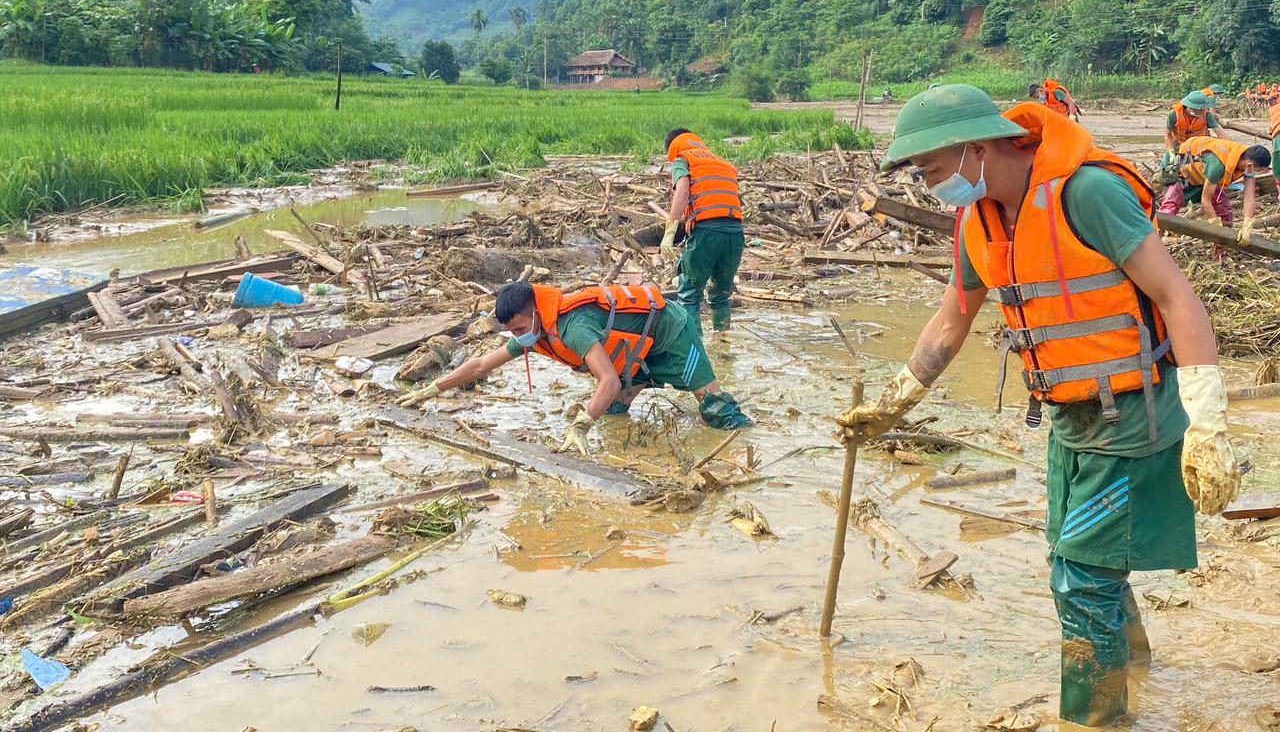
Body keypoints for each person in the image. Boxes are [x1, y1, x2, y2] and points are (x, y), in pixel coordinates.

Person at [835, 84, 1243, 727]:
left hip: (1135, 413)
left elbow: (1176, 296)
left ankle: (1096, 720)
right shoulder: (980, 221)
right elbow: (950, 324)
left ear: (975, 147)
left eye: (933, 170)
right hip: (1068, 416)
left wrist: (1209, 419)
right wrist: (893, 404)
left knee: (1081, 580)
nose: (930, 186)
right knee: (1073, 559)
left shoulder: (1087, 194)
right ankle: (1136, 669)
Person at [395, 281, 751, 455]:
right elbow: (483, 364)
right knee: (612, 411)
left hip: (670, 332)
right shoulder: (536, 329)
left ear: (535, 311)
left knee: (714, 408)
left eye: (520, 329)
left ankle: (752, 436)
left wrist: (581, 426)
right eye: (514, 333)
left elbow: (607, 378)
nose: (520, 337)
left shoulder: (571, 326)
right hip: (633, 349)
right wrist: (433, 389)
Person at [660, 129, 745, 334]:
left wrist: (670, 231)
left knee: (689, 293)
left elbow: (682, 191)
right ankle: (723, 345)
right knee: (721, 295)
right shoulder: (722, 164)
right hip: (735, 233)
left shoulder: (683, 159)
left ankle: (694, 347)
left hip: (706, 232)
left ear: (673, 147)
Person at [1157, 135, 1271, 245]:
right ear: (1250, 165)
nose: (1257, 172)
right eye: (1259, 170)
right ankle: (1153, 241)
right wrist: (1215, 228)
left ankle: (1222, 249)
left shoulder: (1246, 162)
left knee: (1224, 210)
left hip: (1205, 180)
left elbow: (1249, 196)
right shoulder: (1217, 164)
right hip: (1182, 177)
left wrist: (1247, 223)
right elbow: (1206, 200)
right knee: (1168, 210)